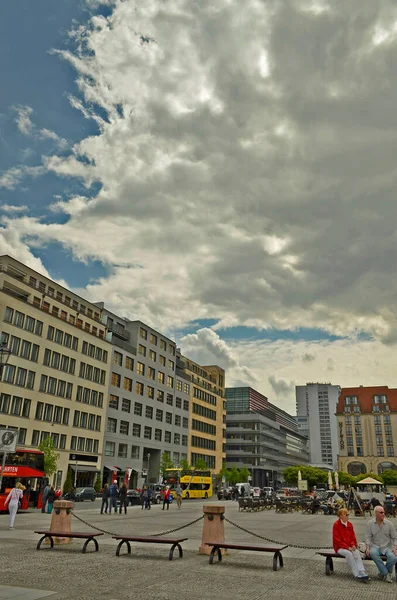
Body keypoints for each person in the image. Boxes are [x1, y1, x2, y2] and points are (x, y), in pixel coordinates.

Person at [332, 508, 369, 582]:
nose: (348, 516)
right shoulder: (336, 525)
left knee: (356, 552)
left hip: (349, 546)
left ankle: (361, 571)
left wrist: (353, 545)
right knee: (349, 554)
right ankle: (357, 574)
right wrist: (347, 547)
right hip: (339, 547)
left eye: (348, 514)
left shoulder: (349, 524)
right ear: (341, 516)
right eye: (346, 514)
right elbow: (337, 540)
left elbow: (353, 537)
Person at [365, 504, 397, 582]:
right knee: (372, 553)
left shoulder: (389, 524)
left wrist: (395, 547)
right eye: (381, 512)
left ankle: (383, 573)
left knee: (393, 557)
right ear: (375, 513)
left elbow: (395, 538)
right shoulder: (370, 523)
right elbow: (368, 537)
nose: (383, 514)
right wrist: (367, 548)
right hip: (375, 546)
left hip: (387, 546)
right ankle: (386, 574)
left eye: (383, 512)